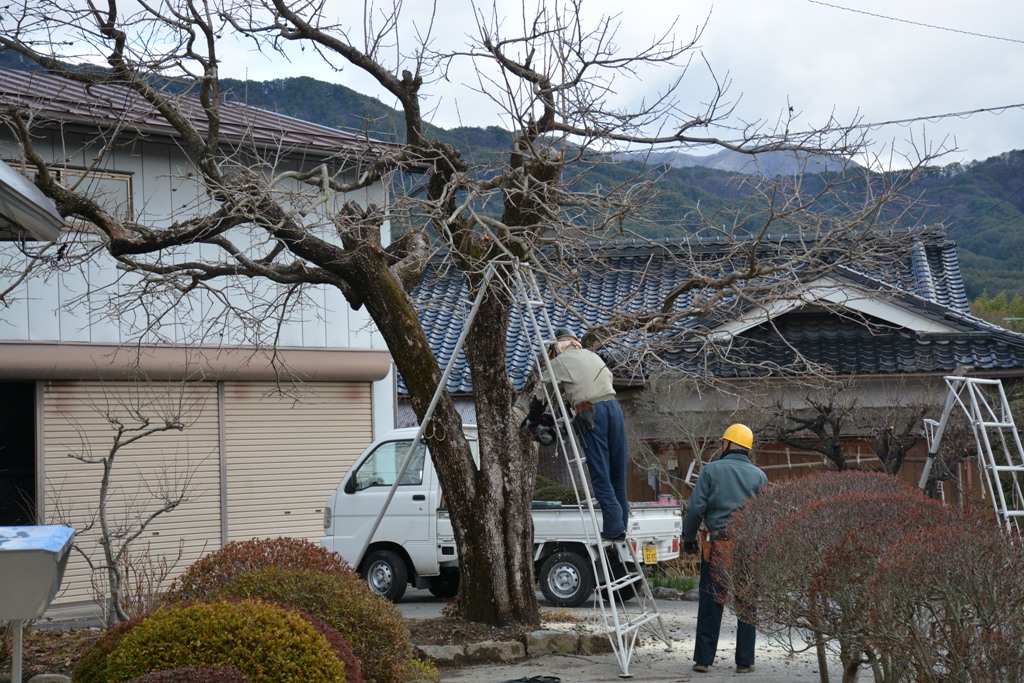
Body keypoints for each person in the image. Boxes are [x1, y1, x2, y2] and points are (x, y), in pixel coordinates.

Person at [524, 327, 630, 542]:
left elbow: (541, 397)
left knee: (600, 473)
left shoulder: (558, 362)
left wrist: (531, 420)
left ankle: (613, 528)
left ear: (557, 347)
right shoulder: (593, 356)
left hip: (591, 412)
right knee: (617, 473)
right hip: (614, 408)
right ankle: (621, 527)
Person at [682, 423, 768, 675]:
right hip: (749, 547)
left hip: (719, 545)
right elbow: (766, 515)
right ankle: (745, 662)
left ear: (728, 444)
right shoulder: (759, 476)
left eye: (723, 442)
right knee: (746, 603)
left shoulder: (711, 471)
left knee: (711, 601)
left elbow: (696, 508)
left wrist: (689, 538)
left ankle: (703, 660)